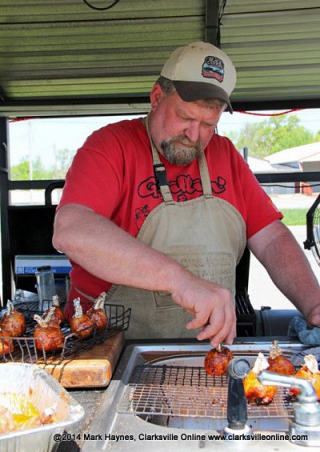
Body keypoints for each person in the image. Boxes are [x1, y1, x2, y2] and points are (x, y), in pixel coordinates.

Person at [53, 41, 320, 347]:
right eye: (185, 117)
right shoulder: (111, 147)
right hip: (110, 350)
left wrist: (314, 305)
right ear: (156, 97)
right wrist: (179, 281)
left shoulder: (226, 156)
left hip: (206, 352)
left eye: (208, 124)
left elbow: (271, 238)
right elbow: (71, 230)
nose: (194, 135)